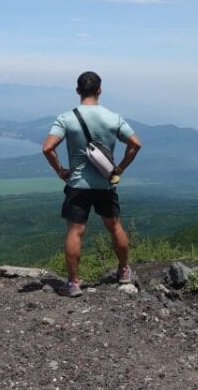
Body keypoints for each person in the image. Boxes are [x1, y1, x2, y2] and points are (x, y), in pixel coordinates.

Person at [42, 72, 142, 297]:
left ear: (78, 90)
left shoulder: (66, 118)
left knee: (75, 231)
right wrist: (119, 169)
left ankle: (73, 283)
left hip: (77, 184)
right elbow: (135, 144)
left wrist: (60, 171)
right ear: (99, 90)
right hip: (105, 184)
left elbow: (47, 148)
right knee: (114, 226)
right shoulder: (113, 118)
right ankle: (124, 271)